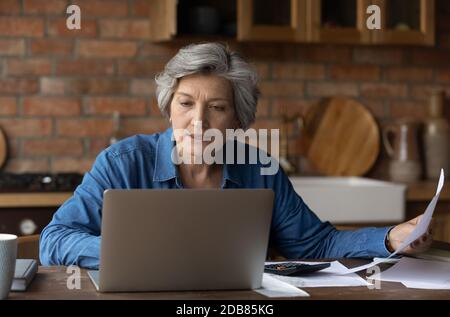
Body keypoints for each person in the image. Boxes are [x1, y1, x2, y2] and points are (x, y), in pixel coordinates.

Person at [39, 43, 433, 269]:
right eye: (186, 103)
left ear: (239, 120)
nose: (198, 121)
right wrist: (129, 251)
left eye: (217, 107)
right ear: (169, 107)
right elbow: (54, 241)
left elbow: (316, 246)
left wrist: (389, 237)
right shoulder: (123, 162)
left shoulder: (261, 170)